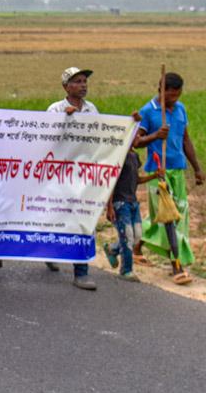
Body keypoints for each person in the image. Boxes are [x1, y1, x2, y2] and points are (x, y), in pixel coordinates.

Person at [133, 72, 203, 284]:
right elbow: (136, 142)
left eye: (177, 95)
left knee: (170, 216)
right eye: (169, 95)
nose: (173, 99)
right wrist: (155, 136)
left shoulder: (180, 109)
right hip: (159, 172)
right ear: (160, 90)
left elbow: (186, 140)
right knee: (170, 217)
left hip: (178, 171)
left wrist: (197, 169)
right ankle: (176, 266)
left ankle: (135, 247)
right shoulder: (149, 111)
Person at [45, 66, 98, 289]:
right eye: (77, 81)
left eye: (84, 81)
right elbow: (45, 140)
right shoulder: (55, 109)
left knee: (83, 219)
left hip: (83, 173)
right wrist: (63, 122)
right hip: (60, 173)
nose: (83, 85)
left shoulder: (91, 109)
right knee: (56, 216)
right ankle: (49, 250)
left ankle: (81, 271)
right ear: (66, 86)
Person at [104, 131, 158, 282]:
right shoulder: (119, 157)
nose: (140, 139)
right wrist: (109, 206)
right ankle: (126, 270)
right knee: (127, 236)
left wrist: (154, 176)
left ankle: (113, 249)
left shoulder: (134, 156)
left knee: (137, 236)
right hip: (120, 203)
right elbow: (112, 182)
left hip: (133, 202)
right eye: (137, 136)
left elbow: (137, 179)